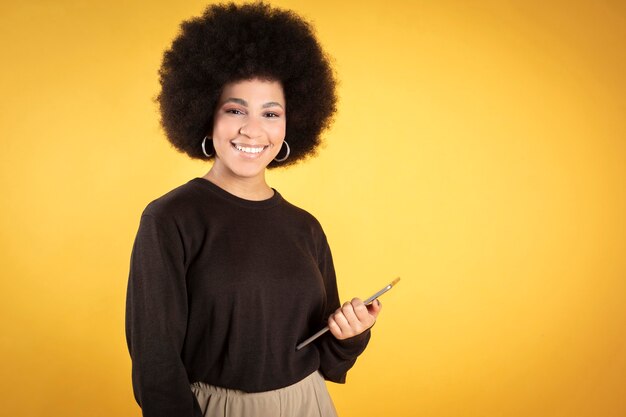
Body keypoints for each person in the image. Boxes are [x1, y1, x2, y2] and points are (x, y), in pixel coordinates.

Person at [125, 3, 381, 416]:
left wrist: (352, 333)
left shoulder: (305, 227)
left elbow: (330, 356)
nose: (252, 129)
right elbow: (155, 366)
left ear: (289, 126)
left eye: (271, 113)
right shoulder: (170, 219)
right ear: (206, 115)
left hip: (309, 403)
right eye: (235, 109)